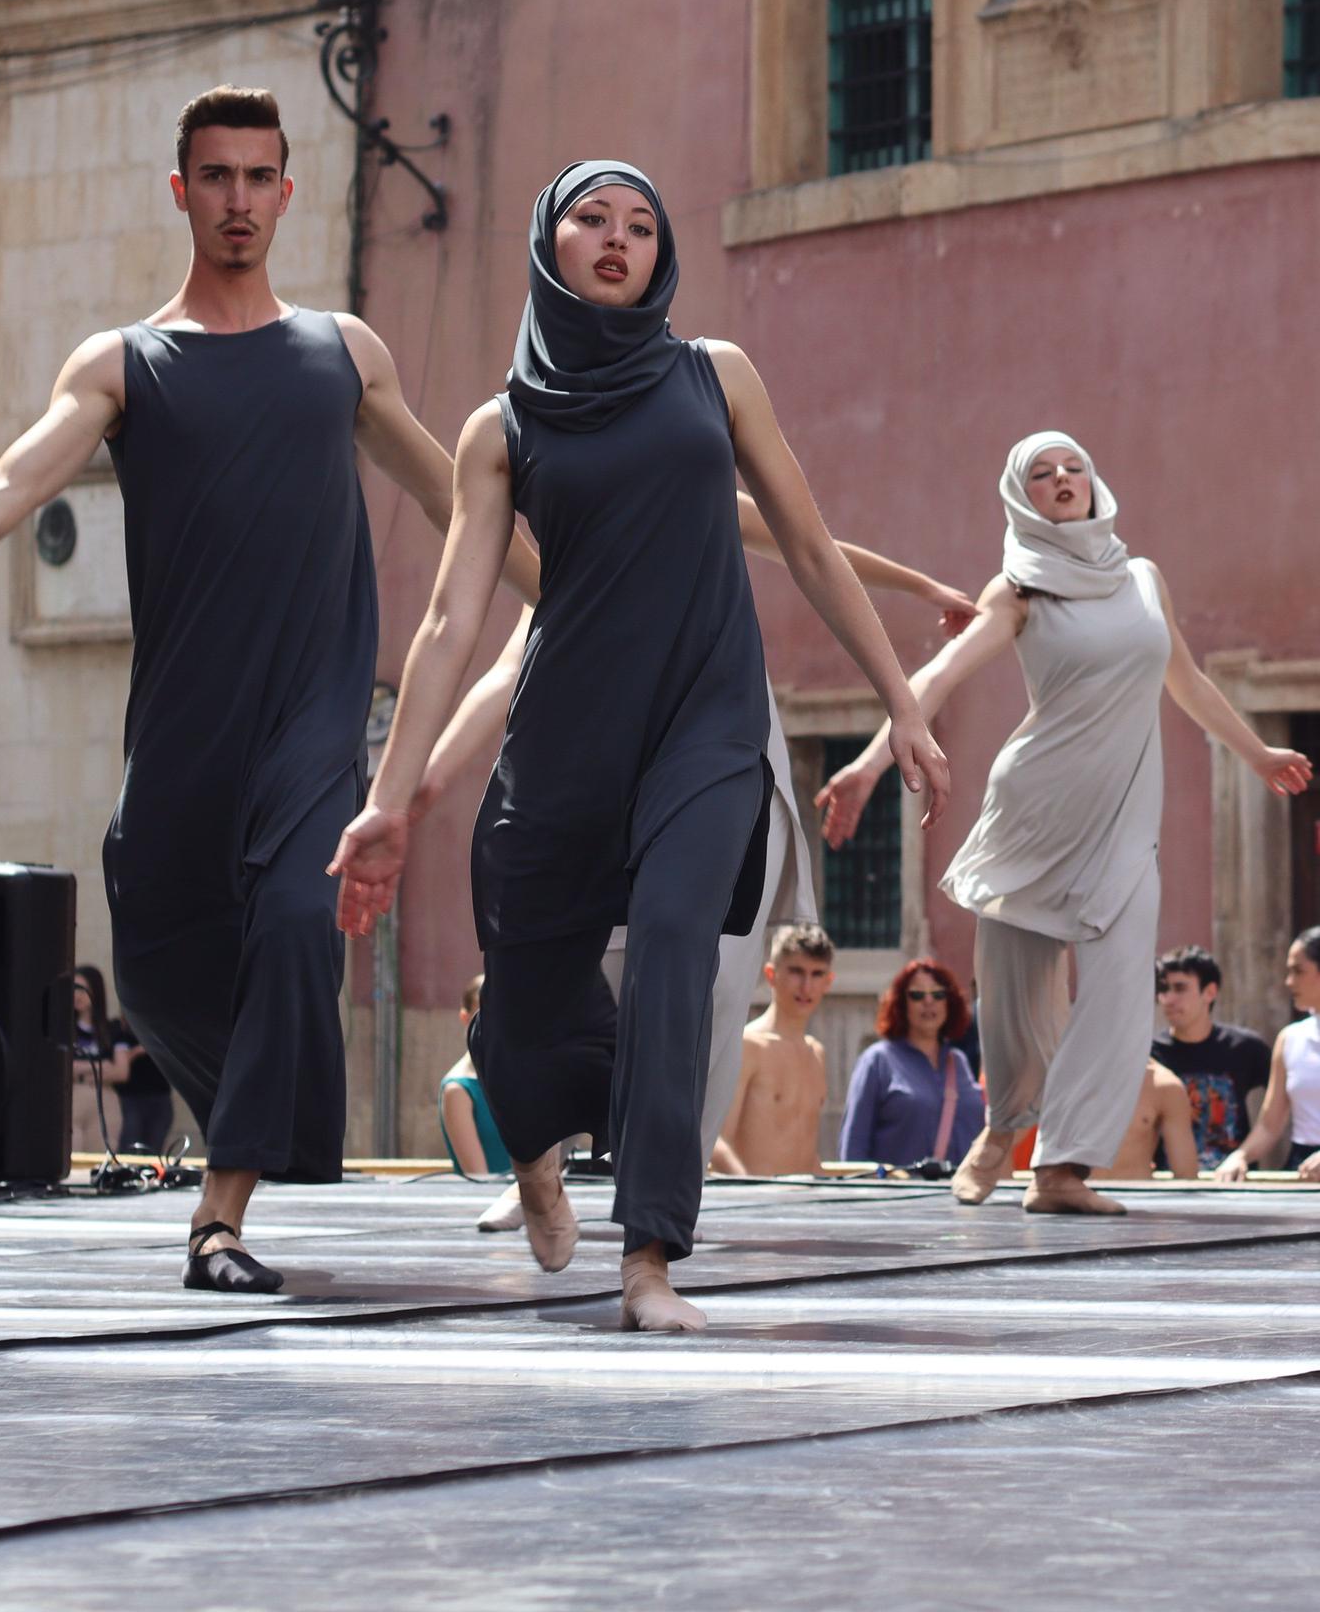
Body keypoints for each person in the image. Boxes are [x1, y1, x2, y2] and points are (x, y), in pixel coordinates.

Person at [0, 85, 537, 1294]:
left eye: (259, 177)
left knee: (301, 917)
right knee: (158, 958)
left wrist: (565, 596)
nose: (239, 199)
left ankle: (218, 1213)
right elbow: (2, 484)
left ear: (286, 193)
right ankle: (263, 1122)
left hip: (312, 717)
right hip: (185, 726)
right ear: (180, 190)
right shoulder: (124, 364)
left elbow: (462, 502)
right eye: (217, 177)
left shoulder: (342, 353)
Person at [329, 160, 948, 1334]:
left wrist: (900, 701)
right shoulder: (497, 427)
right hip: (566, 734)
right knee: (522, 993)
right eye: (591, 220)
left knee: (674, 945)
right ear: (548, 245)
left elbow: (809, 546)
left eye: (641, 225)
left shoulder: (715, 377)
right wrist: (387, 798)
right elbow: (454, 617)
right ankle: (533, 1154)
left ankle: (650, 1255)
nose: (618, 239)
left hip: (704, 724)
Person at [819, 432, 1311, 1218]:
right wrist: (874, 759)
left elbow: (1181, 678)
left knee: (1119, 987)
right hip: (1037, 808)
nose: (1061, 481)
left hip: (1122, 818)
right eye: (1041, 474)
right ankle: (1002, 1127)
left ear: (1093, 481)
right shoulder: (1016, 591)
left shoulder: (1142, 579)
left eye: (1072, 468)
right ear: (1022, 498)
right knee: (1014, 995)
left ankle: (1059, 1167)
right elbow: (939, 673)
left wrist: (1253, 753)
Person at [410, 521, 978, 1175]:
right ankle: (561, 1163)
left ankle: (667, 1182)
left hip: (719, 757)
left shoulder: (684, 479)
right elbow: (509, 663)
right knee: (590, 968)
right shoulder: (572, 558)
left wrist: (922, 587)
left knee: (710, 974)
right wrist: (421, 779)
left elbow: (811, 546)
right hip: (612, 768)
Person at [836, 957, 984, 1169]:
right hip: (898, 1197)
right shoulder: (877, 1060)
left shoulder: (958, 1062)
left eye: (938, 994)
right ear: (900, 1003)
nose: (928, 1002)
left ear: (949, 1002)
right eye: (917, 995)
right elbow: (853, 1147)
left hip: (958, 1196)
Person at [711, 925, 835, 1176]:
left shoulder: (816, 1053)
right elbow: (714, 1139)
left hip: (805, 1206)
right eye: (796, 972)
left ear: (828, 982)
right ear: (771, 974)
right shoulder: (747, 1045)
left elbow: (804, 1149)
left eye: (817, 973)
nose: (806, 986)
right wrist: (753, 1191)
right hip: (756, 1207)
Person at [1151, 946, 1271, 1170]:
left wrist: (1244, 1155)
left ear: (1210, 992)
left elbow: (1280, 1109)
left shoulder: (1245, 1048)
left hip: (1234, 1185)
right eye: (1164, 989)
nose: (1168, 999)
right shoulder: (1150, 1054)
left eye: (1180, 988)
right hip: (1167, 1186)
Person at [1215, 929, 1320, 1183]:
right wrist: (1240, 1156)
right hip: (1303, 1171)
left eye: (1298, 971)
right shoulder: (1290, 1038)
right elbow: (1270, 1124)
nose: (1289, 982)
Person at [439, 973, 523, 1232]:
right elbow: (480, 1178)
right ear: (465, 1017)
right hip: (492, 1214)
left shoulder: (520, 1076)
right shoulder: (458, 1089)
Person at [1091, 1057, 1199, 1180]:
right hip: (1073, 1197)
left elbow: (1187, 1176)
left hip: (1133, 1196)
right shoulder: (1068, 1073)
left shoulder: (1165, 1084)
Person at [70, 965, 134, 1159]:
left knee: (101, 1156)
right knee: (71, 1152)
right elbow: (64, 1068)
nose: (77, 996)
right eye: (73, 989)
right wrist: (103, 1066)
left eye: (82, 989)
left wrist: (83, 1068)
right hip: (73, 1096)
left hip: (105, 1099)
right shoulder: (64, 1027)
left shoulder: (112, 1029)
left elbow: (122, 1072)